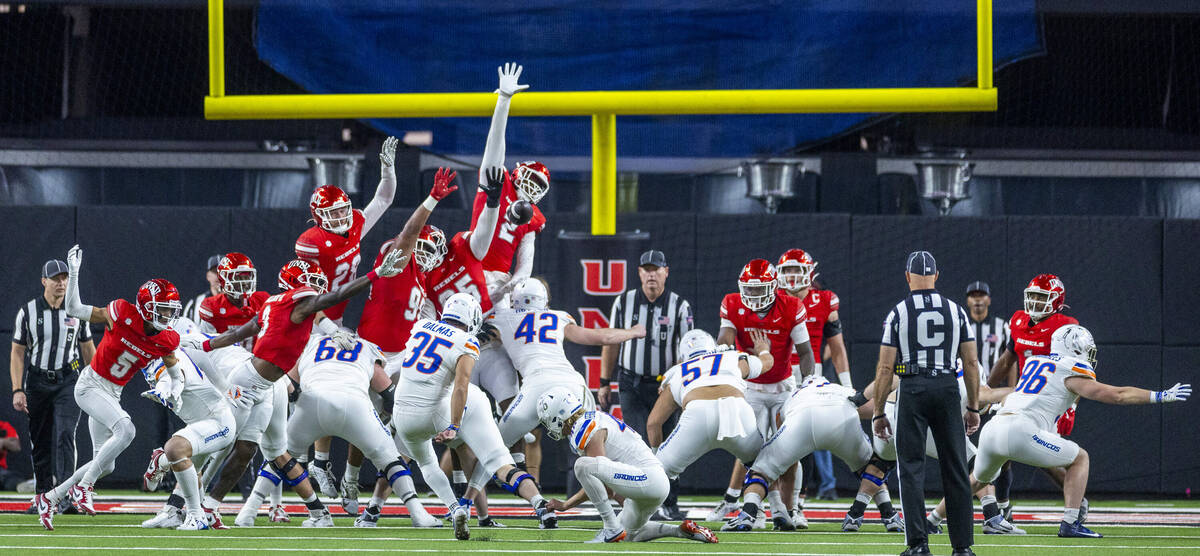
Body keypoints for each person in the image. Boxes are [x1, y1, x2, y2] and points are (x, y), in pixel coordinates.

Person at [189, 242, 410, 528]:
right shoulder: (294, 304)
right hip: (246, 382)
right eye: (312, 283)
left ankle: (210, 507)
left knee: (248, 451)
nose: (317, 289)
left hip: (267, 386)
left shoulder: (271, 303)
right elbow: (338, 295)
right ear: (295, 286)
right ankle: (181, 492)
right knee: (220, 438)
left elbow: (243, 331)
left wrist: (208, 343)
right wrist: (376, 273)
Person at [971, 324, 1190, 538]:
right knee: (1080, 458)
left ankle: (935, 520)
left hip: (993, 428)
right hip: (1021, 430)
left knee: (976, 482)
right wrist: (1159, 396)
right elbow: (1117, 395)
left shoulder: (1034, 361)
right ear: (1075, 348)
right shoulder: (1070, 369)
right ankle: (1070, 523)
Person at [33, 245, 184, 531]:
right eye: (162, 309)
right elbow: (74, 309)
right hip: (90, 385)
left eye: (169, 310)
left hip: (112, 393)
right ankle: (83, 488)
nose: (166, 316)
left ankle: (50, 498)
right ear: (145, 306)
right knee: (126, 430)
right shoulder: (122, 313)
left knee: (107, 464)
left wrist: (175, 389)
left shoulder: (166, 339)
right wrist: (74, 272)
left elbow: (174, 369)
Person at [391, 293, 555, 540]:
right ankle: (536, 499)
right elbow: (461, 385)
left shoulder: (421, 326)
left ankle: (456, 508)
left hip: (402, 414)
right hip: (437, 413)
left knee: (426, 462)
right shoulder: (467, 341)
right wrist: (454, 426)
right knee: (495, 450)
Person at [294, 137, 399, 495]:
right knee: (312, 392)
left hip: (335, 321)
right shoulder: (310, 241)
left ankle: (320, 463)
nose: (341, 217)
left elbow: (383, 199)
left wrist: (387, 170)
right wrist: (325, 326)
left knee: (334, 386)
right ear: (318, 217)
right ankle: (303, 464)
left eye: (343, 210)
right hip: (309, 320)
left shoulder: (354, 223)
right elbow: (305, 299)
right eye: (333, 213)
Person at [871, 251, 980, 556]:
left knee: (911, 469)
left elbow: (884, 368)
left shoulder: (898, 312)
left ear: (907, 276)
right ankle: (962, 548)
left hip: (913, 388)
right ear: (937, 275)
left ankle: (918, 544)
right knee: (957, 469)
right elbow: (970, 362)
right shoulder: (956, 311)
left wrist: (879, 411)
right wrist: (972, 407)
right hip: (947, 386)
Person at [270, 333, 438, 528]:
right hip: (355, 403)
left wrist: (295, 403)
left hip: (312, 402)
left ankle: (305, 509)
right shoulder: (366, 347)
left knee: (278, 455)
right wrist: (387, 422)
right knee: (391, 459)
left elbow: (290, 385)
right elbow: (389, 393)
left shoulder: (311, 343)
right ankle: (418, 513)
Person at [709, 259, 815, 529]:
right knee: (751, 450)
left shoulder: (791, 306)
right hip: (752, 388)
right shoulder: (732, 303)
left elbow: (805, 352)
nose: (754, 296)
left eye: (759, 290)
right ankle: (757, 510)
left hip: (782, 386)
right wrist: (722, 348)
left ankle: (793, 509)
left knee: (789, 450)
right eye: (750, 290)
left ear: (773, 286)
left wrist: (808, 381)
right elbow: (725, 336)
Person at [538, 388, 718, 544]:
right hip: (649, 482)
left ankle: (610, 528)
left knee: (581, 465)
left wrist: (567, 504)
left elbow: (603, 485)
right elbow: (608, 481)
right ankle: (681, 530)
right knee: (630, 534)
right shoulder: (592, 419)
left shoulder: (584, 427)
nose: (548, 426)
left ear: (558, 415)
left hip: (648, 479)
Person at [597, 249, 693, 520]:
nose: (651, 274)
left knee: (669, 445)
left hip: (666, 386)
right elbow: (611, 342)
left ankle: (669, 501)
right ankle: (639, 502)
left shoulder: (680, 305)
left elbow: (685, 351)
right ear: (639, 273)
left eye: (656, 269)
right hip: (631, 381)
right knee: (636, 442)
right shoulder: (623, 302)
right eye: (646, 269)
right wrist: (604, 382)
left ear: (666, 272)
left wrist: (680, 386)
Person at [644, 329, 770, 528]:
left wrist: (655, 456)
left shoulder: (678, 371)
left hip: (697, 415)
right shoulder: (732, 356)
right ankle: (763, 511)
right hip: (735, 410)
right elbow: (766, 364)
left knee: (654, 474)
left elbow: (653, 423)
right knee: (765, 465)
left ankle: (631, 519)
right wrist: (763, 350)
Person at [731, 374, 884, 532]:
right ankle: (886, 514)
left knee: (761, 470)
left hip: (802, 417)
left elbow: (785, 450)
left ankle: (749, 514)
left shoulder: (794, 393)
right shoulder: (840, 389)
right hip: (841, 416)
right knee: (873, 468)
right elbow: (869, 408)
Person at [987, 274, 1078, 519]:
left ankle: (1077, 502)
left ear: (1056, 300)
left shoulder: (1066, 327)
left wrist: (1072, 406)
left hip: (1051, 400)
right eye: (1033, 296)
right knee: (1003, 451)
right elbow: (1007, 359)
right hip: (1023, 396)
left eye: (1042, 297)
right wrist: (985, 390)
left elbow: (1079, 371)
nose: (1036, 302)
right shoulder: (1018, 321)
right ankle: (1003, 508)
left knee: (1042, 457)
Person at [139, 321, 239, 531]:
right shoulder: (151, 357)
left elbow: (176, 375)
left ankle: (196, 516)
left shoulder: (169, 355)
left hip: (218, 422)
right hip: (203, 421)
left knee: (175, 449)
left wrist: (164, 391)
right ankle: (191, 513)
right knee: (192, 467)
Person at [10, 259, 94, 506]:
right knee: (41, 439)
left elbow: (88, 348)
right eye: (56, 278)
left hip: (68, 379)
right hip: (37, 380)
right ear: (43, 281)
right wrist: (17, 389)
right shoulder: (28, 311)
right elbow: (17, 351)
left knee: (66, 434)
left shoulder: (77, 310)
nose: (61, 283)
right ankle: (43, 495)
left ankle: (67, 495)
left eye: (65, 278)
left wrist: (99, 382)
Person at [777, 248, 847, 516]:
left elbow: (838, 349)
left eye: (797, 269)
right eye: (788, 270)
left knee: (805, 440)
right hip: (778, 377)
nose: (793, 276)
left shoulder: (825, 300)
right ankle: (761, 499)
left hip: (810, 377)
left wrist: (846, 383)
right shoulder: (772, 298)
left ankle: (799, 499)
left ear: (809, 272)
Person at [181, 255, 222, 324]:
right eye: (215, 272)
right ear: (208, 276)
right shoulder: (193, 305)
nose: (219, 276)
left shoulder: (240, 303)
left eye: (223, 272)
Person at [0, 420, 25, 490]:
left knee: (10, 479)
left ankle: (38, 482)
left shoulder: (3, 426)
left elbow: (16, 446)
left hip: (2, 472)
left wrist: (2, 442)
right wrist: (6, 441)